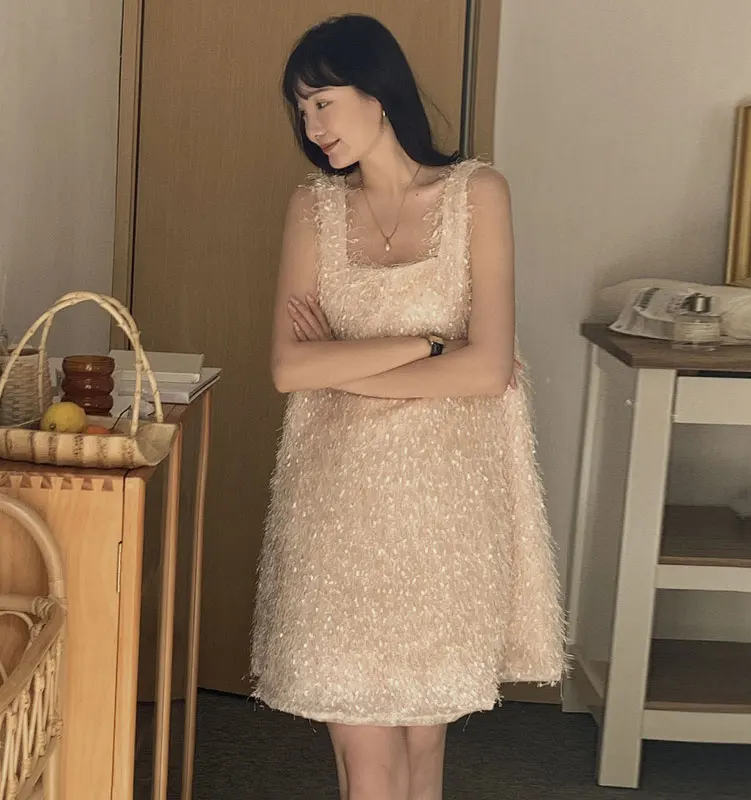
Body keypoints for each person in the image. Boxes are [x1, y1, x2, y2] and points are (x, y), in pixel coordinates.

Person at [251, 13, 565, 800]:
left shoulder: (477, 193)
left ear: (378, 91)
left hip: (448, 510)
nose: (311, 125)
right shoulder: (312, 207)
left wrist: (347, 365)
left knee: (424, 745)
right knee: (365, 749)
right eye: (301, 109)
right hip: (337, 502)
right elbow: (290, 368)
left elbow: (486, 369)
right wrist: (428, 347)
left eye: (322, 101)